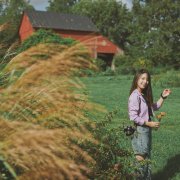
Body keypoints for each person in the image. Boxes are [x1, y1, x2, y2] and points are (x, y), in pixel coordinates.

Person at [128, 69, 171, 179]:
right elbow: (133, 116)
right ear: (137, 79)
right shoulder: (135, 96)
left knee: (146, 159)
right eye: (142, 78)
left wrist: (162, 97)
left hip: (145, 130)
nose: (145, 81)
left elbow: (153, 107)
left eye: (147, 79)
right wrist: (149, 123)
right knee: (141, 160)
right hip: (140, 130)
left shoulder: (143, 95)